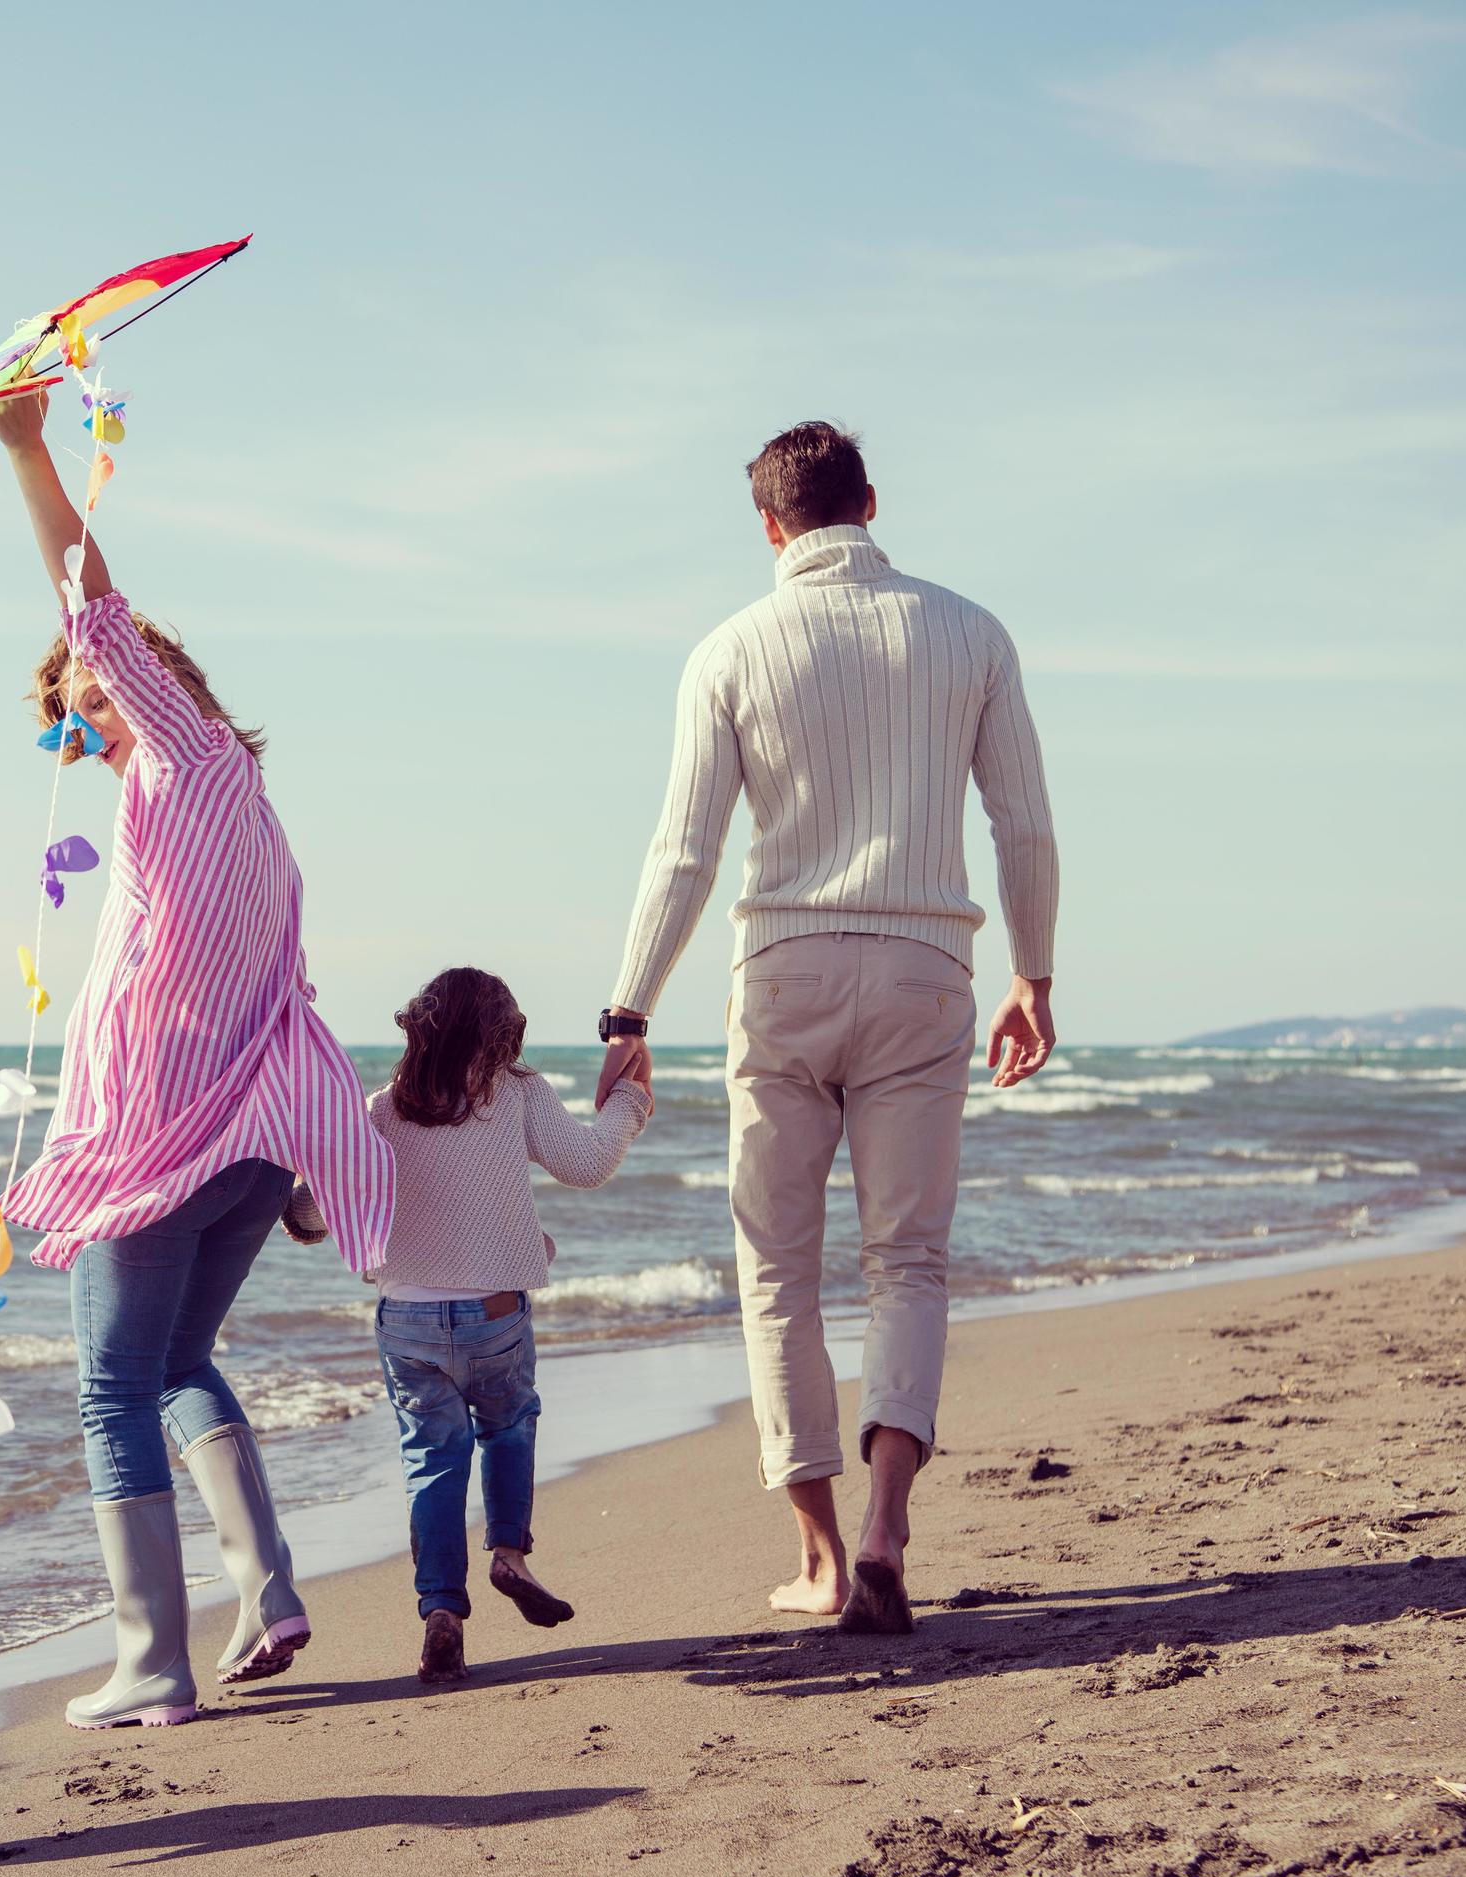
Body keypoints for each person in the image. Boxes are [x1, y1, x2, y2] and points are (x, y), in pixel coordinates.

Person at [594, 420, 1059, 1638]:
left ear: (770, 526)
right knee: (908, 1261)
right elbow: (1025, 828)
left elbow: (684, 851)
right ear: (869, 501)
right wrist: (1037, 976)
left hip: (783, 973)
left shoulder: (730, 648)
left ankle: (819, 1558)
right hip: (925, 968)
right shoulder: (971, 632)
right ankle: (889, 1528)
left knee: (776, 1269)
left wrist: (630, 1005)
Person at [0, 384, 393, 1729]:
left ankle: (152, 1664)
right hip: (241, 1143)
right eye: (68, 721)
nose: (80, 735)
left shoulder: (190, 760)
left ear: (142, 689)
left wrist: (29, 450)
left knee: (111, 1391)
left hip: (161, 1151)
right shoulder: (230, 813)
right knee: (172, 1365)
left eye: (85, 708)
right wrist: (296, 1166)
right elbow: (284, 981)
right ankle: (267, 1589)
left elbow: (93, 605)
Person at [342, 967, 648, 1685]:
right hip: (495, 1314)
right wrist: (629, 1099)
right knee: (508, 1426)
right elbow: (587, 1163)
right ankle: (508, 1556)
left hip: (408, 1321)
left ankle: (441, 1612)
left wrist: (290, 1207)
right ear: (504, 1034)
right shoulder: (517, 1093)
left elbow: (325, 1199)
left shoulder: (381, 1108)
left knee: (432, 1460)